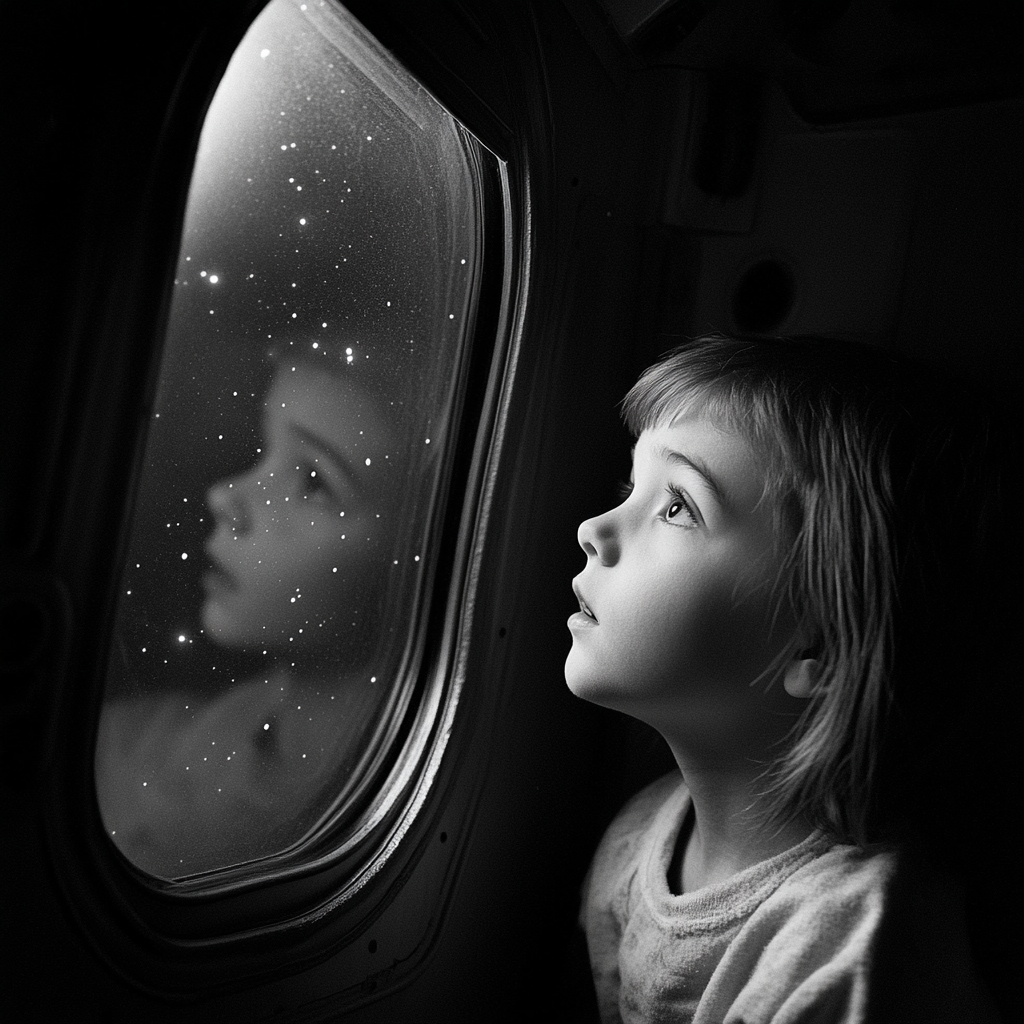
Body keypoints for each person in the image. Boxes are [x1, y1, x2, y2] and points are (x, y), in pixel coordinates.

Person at [567, 335, 1013, 1022]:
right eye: (632, 486)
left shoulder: (853, 951)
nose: (594, 528)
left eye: (678, 506)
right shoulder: (637, 840)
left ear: (822, 647)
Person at [96, 348, 400, 878]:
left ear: (413, 557)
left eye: (312, 481)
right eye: (262, 449)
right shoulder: (140, 740)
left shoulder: (337, 824)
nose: (224, 497)